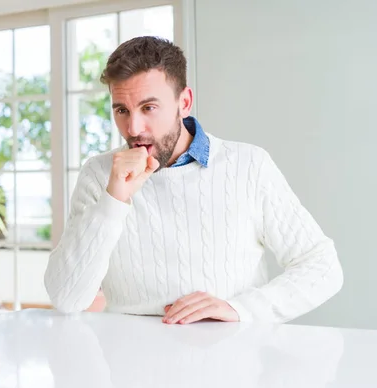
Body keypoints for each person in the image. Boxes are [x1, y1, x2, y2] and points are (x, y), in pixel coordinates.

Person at [44, 36, 343, 324]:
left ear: (184, 102)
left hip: (231, 363)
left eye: (149, 108)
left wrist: (240, 309)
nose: (133, 128)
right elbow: (67, 299)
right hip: (128, 366)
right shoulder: (99, 175)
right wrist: (113, 202)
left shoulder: (249, 166)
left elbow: (322, 266)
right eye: (122, 110)